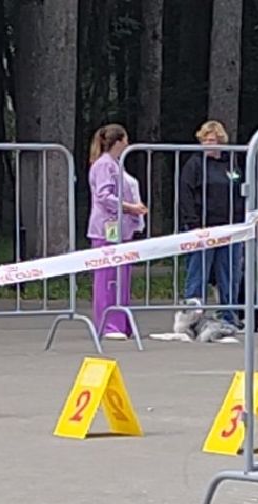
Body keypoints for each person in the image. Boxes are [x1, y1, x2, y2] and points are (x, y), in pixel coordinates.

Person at [178, 120, 246, 323]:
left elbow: (240, 190)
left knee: (229, 274)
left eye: (213, 140)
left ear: (221, 141)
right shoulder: (194, 164)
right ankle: (192, 317)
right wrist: (192, 223)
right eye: (205, 140)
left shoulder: (231, 163)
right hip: (202, 227)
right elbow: (186, 193)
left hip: (230, 227)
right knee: (197, 273)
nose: (209, 144)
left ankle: (229, 314)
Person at [86, 124, 148, 341]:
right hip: (107, 227)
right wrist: (130, 207)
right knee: (108, 278)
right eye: (126, 139)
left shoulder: (114, 164)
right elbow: (104, 196)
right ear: (119, 141)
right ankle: (108, 324)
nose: (128, 144)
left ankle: (121, 322)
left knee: (120, 276)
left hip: (120, 228)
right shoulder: (104, 165)